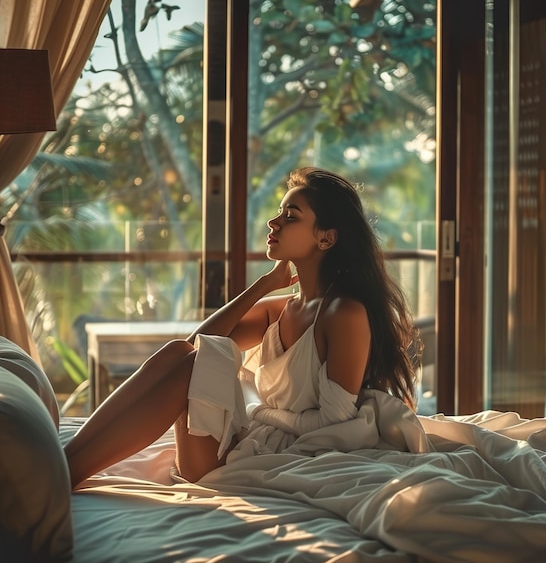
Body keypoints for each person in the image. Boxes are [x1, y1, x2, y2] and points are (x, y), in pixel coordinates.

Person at [64, 167, 421, 489]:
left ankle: (63, 472)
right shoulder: (279, 310)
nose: (273, 223)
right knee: (179, 352)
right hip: (246, 442)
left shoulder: (344, 313)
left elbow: (335, 424)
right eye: (279, 212)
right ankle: (63, 463)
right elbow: (194, 348)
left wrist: (259, 413)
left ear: (325, 238)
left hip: (280, 456)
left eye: (290, 216)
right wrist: (262, 285)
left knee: (188, 359)